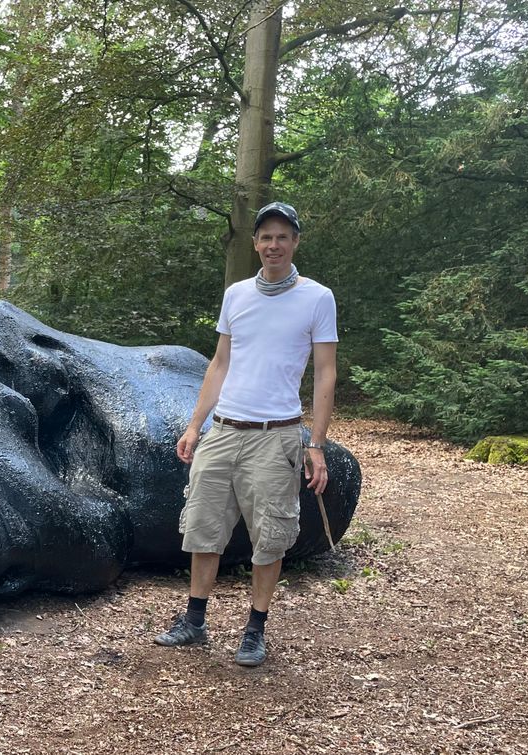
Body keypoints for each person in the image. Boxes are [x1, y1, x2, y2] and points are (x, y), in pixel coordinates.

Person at [153, 201, 337, 667]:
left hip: (276, 436)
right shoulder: (236, 295)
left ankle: (255, 630)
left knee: (270, 537)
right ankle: (195, 621)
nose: (273, 245)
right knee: (202, 528)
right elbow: (220, 362)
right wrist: (195, 425)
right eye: (265, 237)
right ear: (255, 243)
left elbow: (325, 374)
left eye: (282, 237)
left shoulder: (317, 298)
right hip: (223, 430)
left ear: (295, 242)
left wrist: (315, 444)